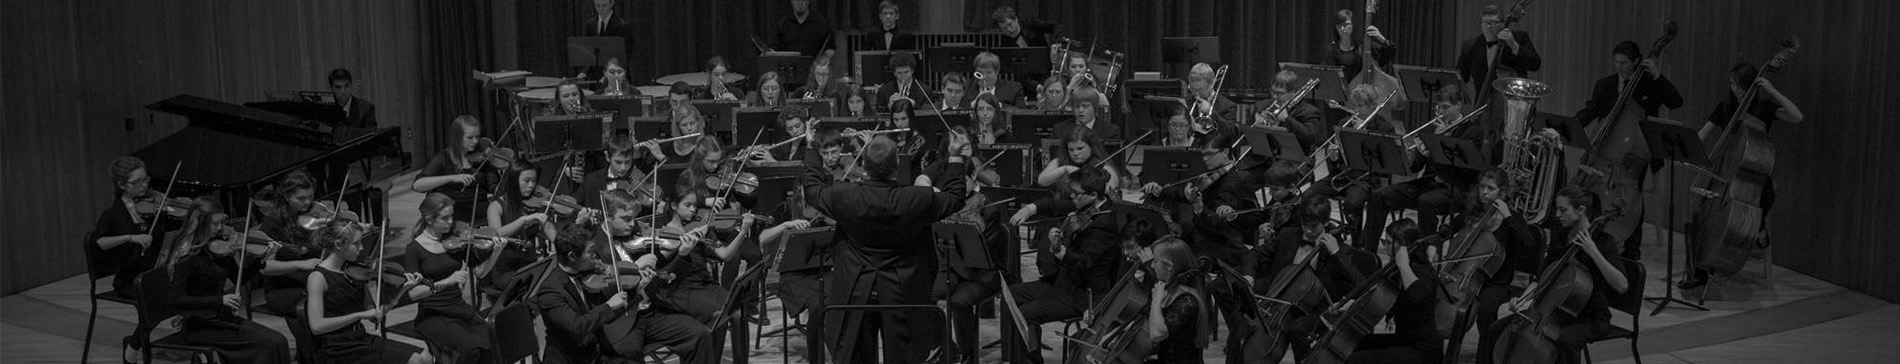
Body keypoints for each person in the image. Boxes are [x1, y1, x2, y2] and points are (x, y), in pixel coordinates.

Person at [802, 134, 970, 363]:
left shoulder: (844, 195)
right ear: (896, 165)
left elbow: (812, 190)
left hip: (855, 290)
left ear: (866, 166)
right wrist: (955, 156)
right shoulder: (917, 198)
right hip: (904, 291)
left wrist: (812, 148)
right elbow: (955, 198)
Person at [1679, 62, 1804, 290]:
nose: (1735, 89)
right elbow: (1703, 135)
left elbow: (1797, 117)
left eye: (1740, 85)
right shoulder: (1725, 108)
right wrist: (1685, 151)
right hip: (1723, 175)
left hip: (1753, 177)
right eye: (1733, 83)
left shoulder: (1765, 108)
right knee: (1700, 211)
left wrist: (1772, 90)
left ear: (1752, 86)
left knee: (1761, 194)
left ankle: (1758, 228)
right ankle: (1698, 269)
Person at [1480, 187, 1629, 364]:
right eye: (1557, 209)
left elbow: (1622, 285)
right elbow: (1542, 277)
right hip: (1551, 311)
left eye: (1563, 210)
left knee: (1565, 341)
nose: (1557, 214)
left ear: (1581, 210)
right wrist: (1523, 299)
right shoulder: (1560, 235)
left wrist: (1594, 252)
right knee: (1496, 329)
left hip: (1589, 317)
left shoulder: (1603, 242)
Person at [1003, 167, 1127, 364]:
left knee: (1026, 314)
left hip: (1083, 295)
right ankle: (1028, 357)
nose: (1072, 197)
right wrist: (1034, 213)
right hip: (1064, 282)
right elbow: (1054, 205)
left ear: (1094, 195)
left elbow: (1084, 262)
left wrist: (1061, 252)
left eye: (1076, 194)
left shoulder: (1104, 224)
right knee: (1010, 295)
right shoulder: (1085, 208)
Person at [152, 196, 293, 363]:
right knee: (269, 343)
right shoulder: (186, 253)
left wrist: (259, 259)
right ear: (200, 222)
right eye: (215, 223)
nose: (221, 228)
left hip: (221, 318)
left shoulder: (218, 247)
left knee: (278, 341)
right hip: (200, 325)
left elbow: (239, 278)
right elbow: (174, 300)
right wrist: (220, 300)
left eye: (221, 222)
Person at [1444, 169, 1544, 363]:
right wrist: (1436, 240)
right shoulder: (1474, 211)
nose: (1484, 192)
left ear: (1502, 192)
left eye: (1491, 188)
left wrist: (1508, 216)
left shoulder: (1511, 218)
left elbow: (1529, 243)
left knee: (1486, 310)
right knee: (1447, 299)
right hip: (1467, 276)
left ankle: (1485, 359)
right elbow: (1450, 228)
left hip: (1497, 282)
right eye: (1482, 187)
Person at [304, 220, 434, 364]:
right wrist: (360, 315)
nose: (361, 248)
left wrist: (403, 290)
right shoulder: (318, 278)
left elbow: (375, 315)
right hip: (338, 349)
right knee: (415, 360)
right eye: (356, 243)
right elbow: (316, 326)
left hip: (360, 339)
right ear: (339, 245)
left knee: (425, 357)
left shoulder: (355, 273)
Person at [404, 193, 501, 364]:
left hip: (459, 309)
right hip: (433, 316)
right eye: (445, 218)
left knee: (494, 342)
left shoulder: (454, 242)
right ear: (429, 219)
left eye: (451, 216)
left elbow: (481, 273)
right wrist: (446, 281)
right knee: (471, 349)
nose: (450, 222)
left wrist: (496, 252)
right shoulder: (414, 249)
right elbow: (413, 294)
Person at [1340, 218, 1444, 364]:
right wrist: (1349, 308)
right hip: (1404, 341)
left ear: (1404, 246)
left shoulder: (1423, 271)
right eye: (1385, 242)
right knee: (1350, 345)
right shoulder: (1396, 272)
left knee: (1355, 360)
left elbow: (1417, 295)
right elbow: (1377, 298)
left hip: (1423, 350)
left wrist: (1403, 265)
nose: (1385, 247)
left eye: (1389, 243)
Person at [532, 223, 635, 364]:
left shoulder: (585, 274)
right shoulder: (550, 291)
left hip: (594, 354)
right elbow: (577, 327)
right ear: (572, 256)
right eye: (590, 252)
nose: (595, 257)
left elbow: (602, 312)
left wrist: (637, 289)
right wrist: (609, 306)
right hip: (571, 360)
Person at [91, 156, 171, 298]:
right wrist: (130, 237)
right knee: (171, 293)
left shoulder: (154, 207)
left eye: (145, 179)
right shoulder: (113, 214)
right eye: (137, 182)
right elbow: (99, 243)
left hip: (154, 274)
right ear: (122, 185)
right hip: (130, 281)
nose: (144, 185)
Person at [253, 170, 328, 316]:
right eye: (300, 198)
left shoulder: (315, 217)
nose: (307, 202)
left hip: (313, 278)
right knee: (327, 297)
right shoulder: (273, 223)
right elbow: (265, 267)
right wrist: (299, 264)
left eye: (310, 197)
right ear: (287, 196)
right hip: (283, 288)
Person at [1572, 41, 1684, 128]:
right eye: (1616, 61)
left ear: (1635, 61)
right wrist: (1570, 125)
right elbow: (1591, 111)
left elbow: (1675, 102)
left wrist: (1657, 75)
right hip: (1609, 142)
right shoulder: (1605, 84)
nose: (1618, 67)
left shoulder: (1650, 82)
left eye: (1623, 63)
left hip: (1640, 148)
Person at [1138, 237, 1214, 364]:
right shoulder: (1170, 290)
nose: (1151, 265)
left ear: (1169, 266)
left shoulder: (1187, 300)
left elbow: (1157, 333)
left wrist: (1156, 301)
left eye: (1155, 261)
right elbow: (1143, 320)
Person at [413, 116, 496, 224]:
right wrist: (451, 178)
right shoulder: (443, 158)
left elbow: (495, 188)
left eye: (477, 137)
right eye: (470, 138)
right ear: (458, 137)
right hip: (451, 220)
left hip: (481, 219)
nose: (475, 141)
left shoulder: (482, 159)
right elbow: (417, 185)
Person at [1456, 4, 1543, 103]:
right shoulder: (1471, 46)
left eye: (1494, 23)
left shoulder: (1519, 38)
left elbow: (1535, 64)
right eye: (1486, 23)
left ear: (1503, 23)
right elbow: (1461, 75)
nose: (1489, 27)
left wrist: (1514, 45)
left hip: (1515, 102)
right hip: (1484, 105)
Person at [1252, 69, 1327, 151]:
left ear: (1293, 92)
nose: (1274, 97)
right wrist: (1255, 127)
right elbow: (1246, 138)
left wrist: (1287, 119)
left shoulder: (1309, 111)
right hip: (1263, 156)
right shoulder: (1260, 106)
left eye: (1279, 93)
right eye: (1272, 92)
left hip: (1293, 158)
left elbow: (1308, 137)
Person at [1051, 85, 1120, 140]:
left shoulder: (1111, 132)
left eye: (1085, 106)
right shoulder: (1059, 130)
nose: (1081, 110)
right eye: (1077, 106)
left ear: (1095, 107)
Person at [1184, 63, 1239, 132]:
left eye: (1200, 90)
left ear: (1211, 83)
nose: (1196, 94)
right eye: (1192, 89)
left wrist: (1211, 111)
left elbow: (1231, 132)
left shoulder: (1228, 106)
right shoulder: (1185, 102)